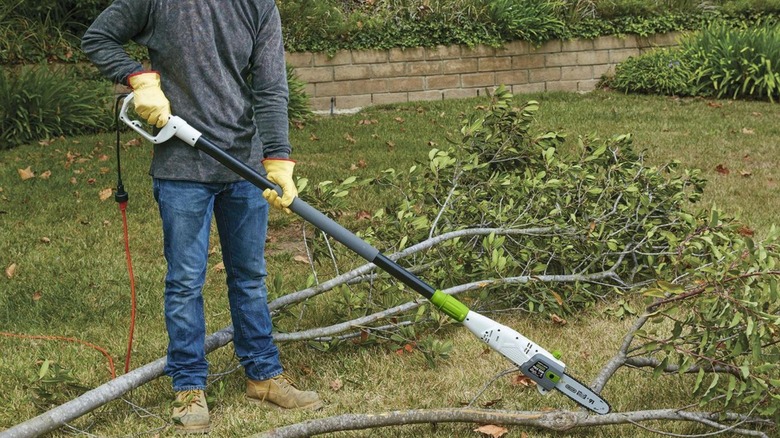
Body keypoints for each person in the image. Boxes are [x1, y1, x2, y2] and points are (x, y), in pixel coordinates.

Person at [82, 0, 322, 433]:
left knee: (249, 276)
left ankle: (263, 375)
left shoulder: (258, 5)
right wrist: (138, 77)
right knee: (185, 281)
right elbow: (97, 38)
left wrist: (278, 157)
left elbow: (270, 85)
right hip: (181, 169)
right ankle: (190, 386)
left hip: (244, 166)